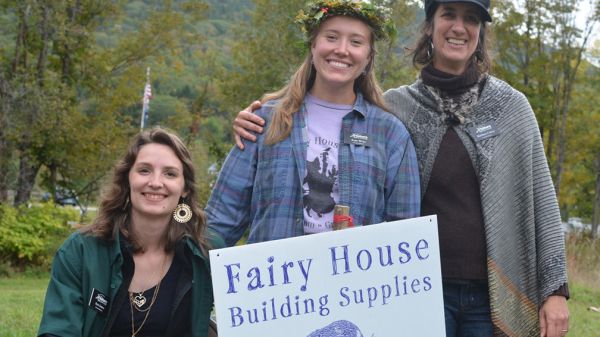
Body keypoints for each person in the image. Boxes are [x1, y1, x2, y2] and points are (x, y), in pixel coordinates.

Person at [231, 1, 570, 336]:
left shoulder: (510, 107)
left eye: (471, 19)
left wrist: (555, 290)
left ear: (481, 34)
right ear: (429, 27)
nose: (458, 27)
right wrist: (258, 118)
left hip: (492, 292)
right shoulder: (396, 110)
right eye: (448, 15)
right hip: (420, 289)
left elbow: (542, 201)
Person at [206, 0, 420, 247]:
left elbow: (405, 234)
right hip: (276, 280)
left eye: (356, 42)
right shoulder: (265, 120)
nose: (342, 49)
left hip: (354, 283)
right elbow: (220, 221)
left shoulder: (391, 134)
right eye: (331, 37)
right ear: (313, 44)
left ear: (369, 56)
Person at [38, 127, 222, 337]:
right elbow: (57, 331)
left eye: (170, 174)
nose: (155, 183)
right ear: (127, 179)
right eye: (144, 170)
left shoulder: (207, 252)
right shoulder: (81, 251)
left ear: (185, 188)